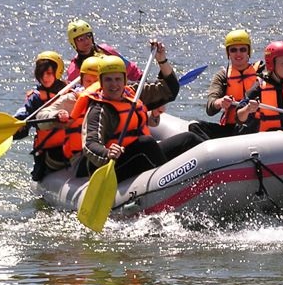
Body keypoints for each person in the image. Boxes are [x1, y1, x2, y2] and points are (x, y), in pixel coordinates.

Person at [82, 43, 205, 181]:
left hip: (142, 153)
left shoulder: (134, 93)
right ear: (101, 82)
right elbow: (90, 144)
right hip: (114, 163)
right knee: (146, 143)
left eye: (118, 79)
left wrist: (161, 59)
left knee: (188, 139)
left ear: (125, 80)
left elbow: (170, 90)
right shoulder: (98, 109)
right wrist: (107, 152)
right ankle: (173, 183)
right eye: (108, 80)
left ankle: (216, 174)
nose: (114, 85)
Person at [34, 56, 102, 180]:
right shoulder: (71, 100)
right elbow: (41, 116)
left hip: (107, 151)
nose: (93, 87)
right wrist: (56, 115)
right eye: (88, 81)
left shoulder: (115, 96)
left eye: (96, 82)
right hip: (78, 156)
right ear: (82, 81)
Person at [188, 29, 260, 140]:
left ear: (248, 52)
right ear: (228, 53)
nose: (238, 53)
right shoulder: (223, 76)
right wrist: (220, 102)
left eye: (242, 49)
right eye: (233, 50)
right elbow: (210, 106)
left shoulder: (261, 72)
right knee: (194, 125)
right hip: (231, 128)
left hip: (257, 127)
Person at [13, 51, 71, 180]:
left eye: (49, 73)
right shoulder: (35, 97)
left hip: (71, 148)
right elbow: (25, 114)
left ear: (57, 72)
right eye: (41, 74)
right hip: (47, 151)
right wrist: (19, 124)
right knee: (38, 176)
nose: (45, 77)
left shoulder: (69, 92)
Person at [65, 19, 142, 82]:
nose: (86, 41)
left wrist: (140, 78)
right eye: (80, 39)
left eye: (88, 36)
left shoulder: (106, 50)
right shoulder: (74, 69)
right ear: (73, 43)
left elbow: (130, 69)